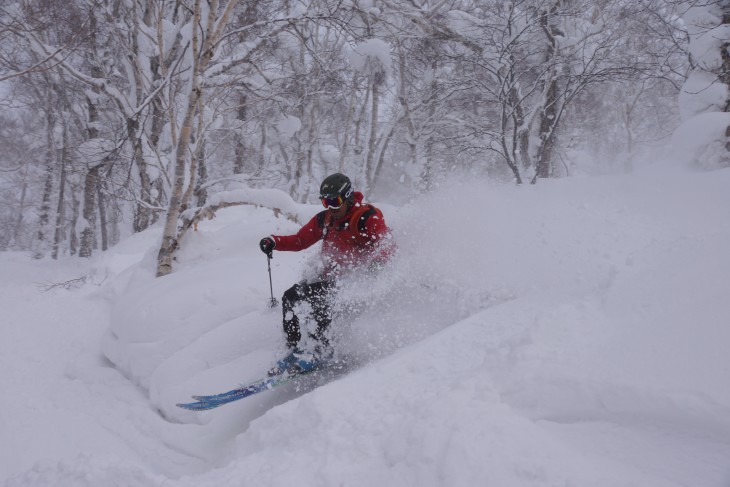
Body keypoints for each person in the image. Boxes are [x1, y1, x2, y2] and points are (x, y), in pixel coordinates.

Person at [259, 173, 394, 375]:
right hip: (330, 276)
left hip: (355, 278)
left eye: (334, 201)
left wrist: (377, 264)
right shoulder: (326, 218)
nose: (330, 206)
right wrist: (275, 242)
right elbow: (300, 240)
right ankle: (295, 348)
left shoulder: (367, 218)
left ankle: (321, 350)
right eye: (325, 201)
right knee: (290, 297)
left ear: (347, 197)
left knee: (319, 299)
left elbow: (386, 244)